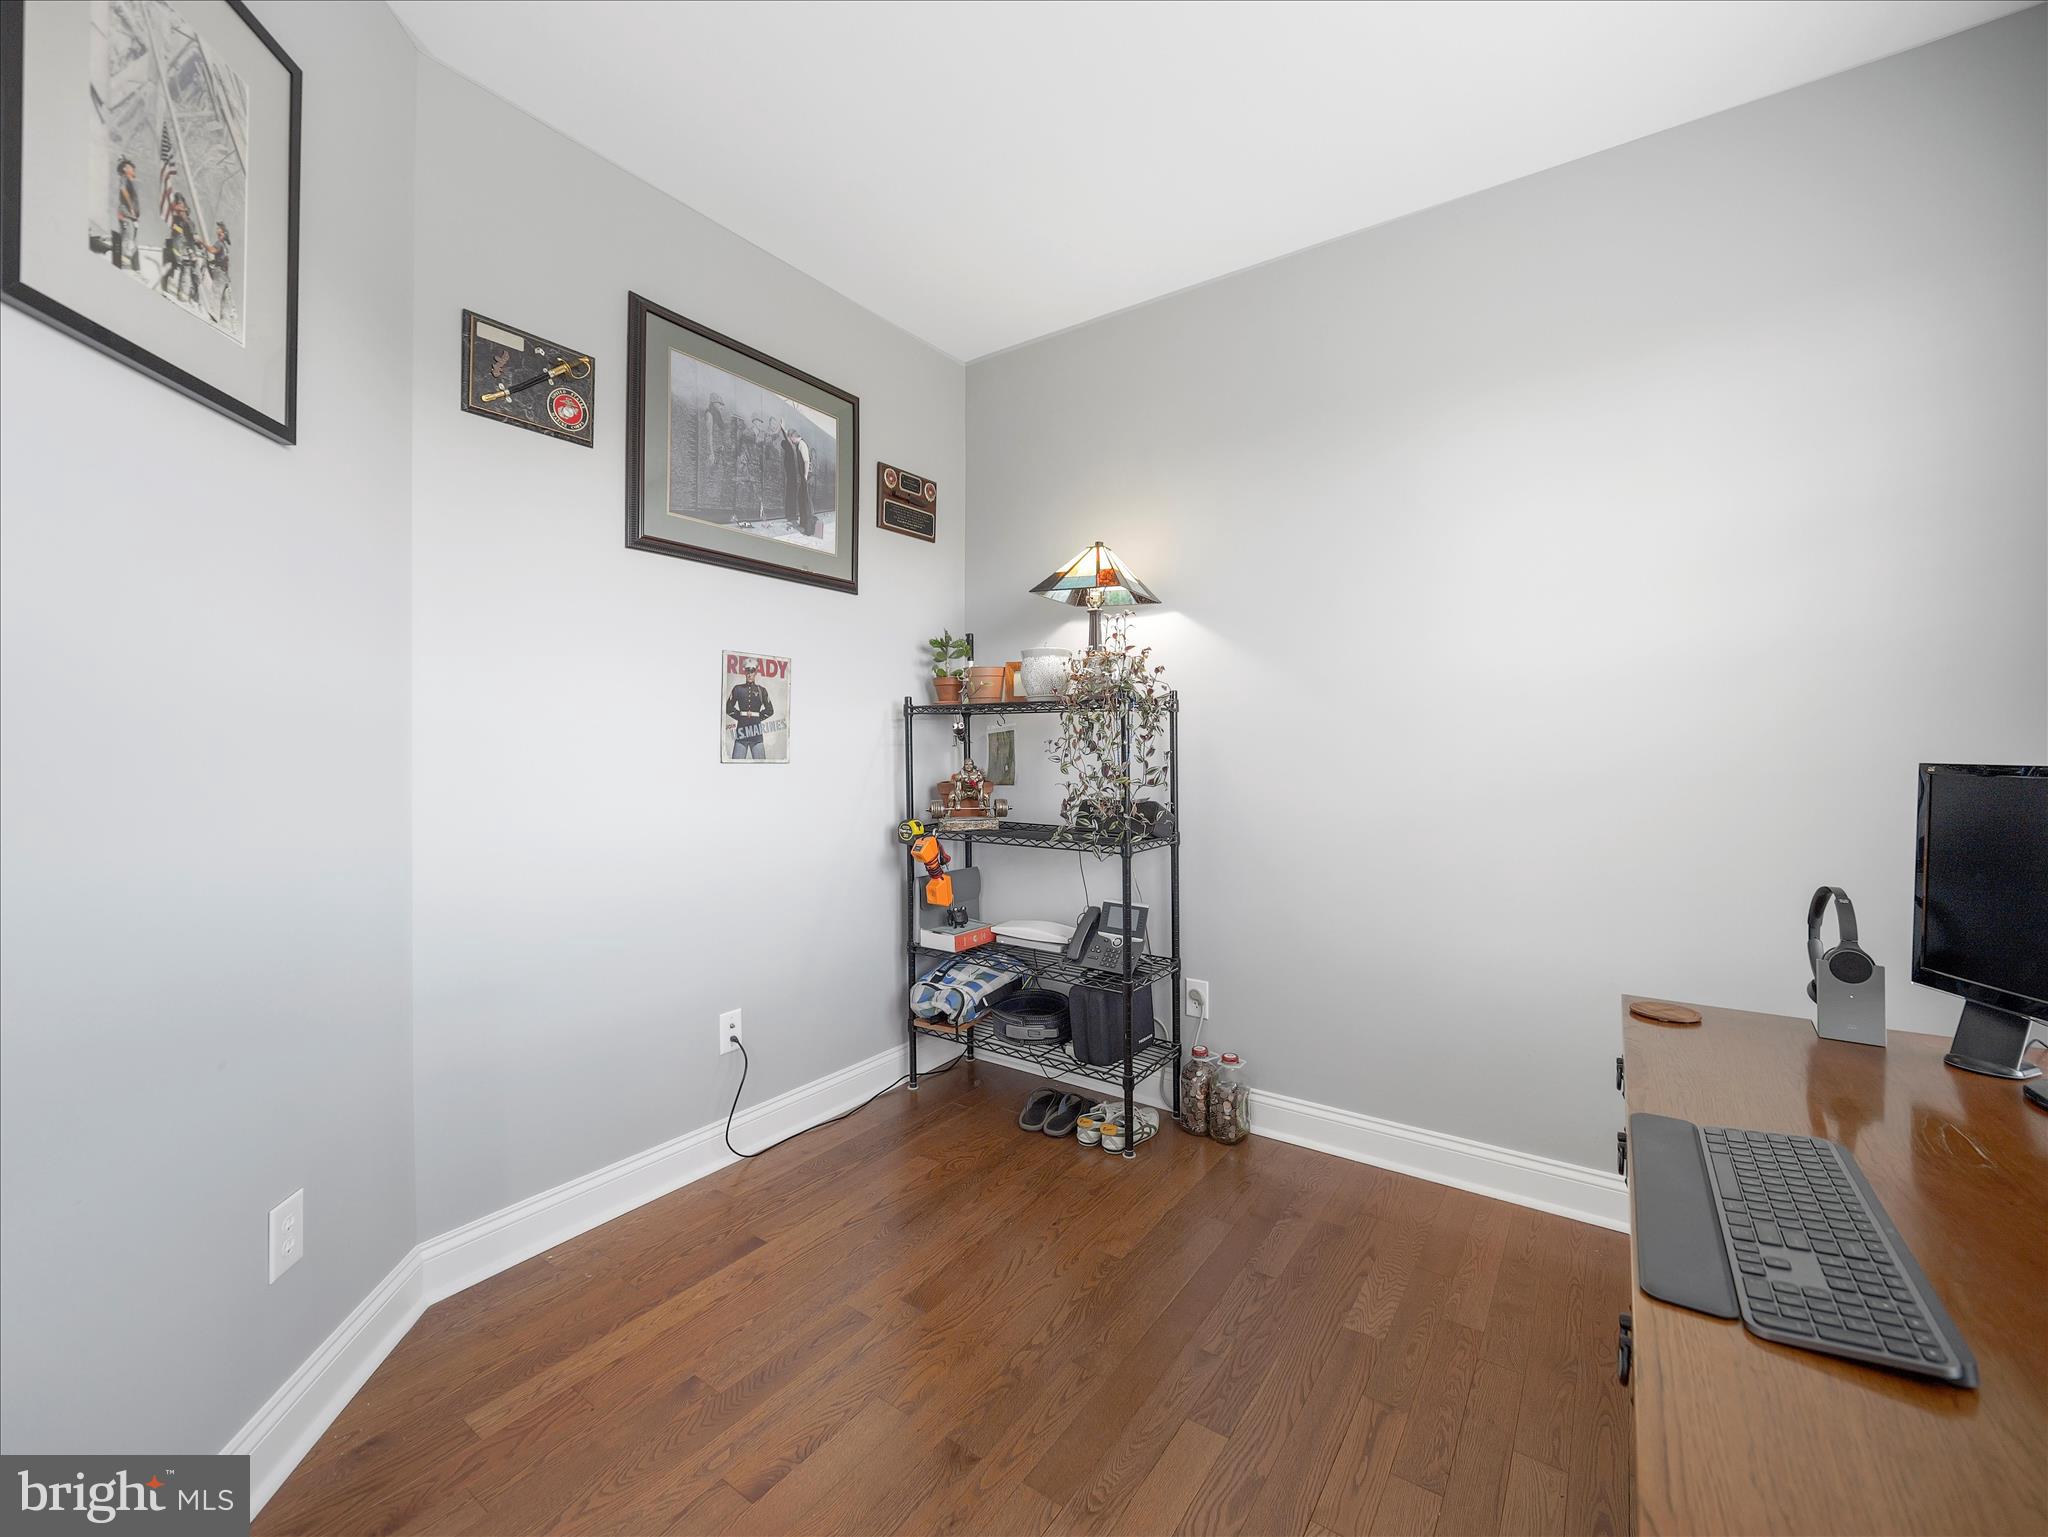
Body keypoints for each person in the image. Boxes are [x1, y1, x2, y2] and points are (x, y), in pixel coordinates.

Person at [725, 659, 774, 760]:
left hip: (756, 733)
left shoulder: (762, 690)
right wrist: (740, 716)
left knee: (761, 764)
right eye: (747, 671)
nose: (749, 674)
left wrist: (758, 717)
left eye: (752, 671)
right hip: (741, 732)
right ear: (745, 672)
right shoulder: (737, 689)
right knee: (736, 764)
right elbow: (728, 707)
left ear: (755, 673)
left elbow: (770, 710)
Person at [781, 423, 814, 537]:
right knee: (802, 500)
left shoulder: (802, 444)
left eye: (791, 439)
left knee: (805, 502)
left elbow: (806, 461)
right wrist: (783, 429)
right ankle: (804, 525)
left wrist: (805, 476)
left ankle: (808, 529)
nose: (792, 442)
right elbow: (789, 438)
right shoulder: (798, 443)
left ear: (794, 437)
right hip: (803, 477)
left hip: (804, 477)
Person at [113, 159, 140, 270]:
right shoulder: (124, 178)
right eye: (130, 167)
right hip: (126, 214)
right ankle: (124, 266)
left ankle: (132, 267)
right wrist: (131, 207)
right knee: (127, 240)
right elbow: (123, 190)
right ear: (125, 169)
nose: (133, 169)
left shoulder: (130, 181)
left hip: (131, 216)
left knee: (131, 242)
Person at [205, 221, 231, 318]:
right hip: (225, 274)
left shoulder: (219, 243)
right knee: (224, 297)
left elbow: (212, 250)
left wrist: (203, 244)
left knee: (216, 292)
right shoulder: (225, 247)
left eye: (219, 229)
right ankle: (224, 318)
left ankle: (214, 314)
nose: (217, 230)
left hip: (220, 272)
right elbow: (222, 259)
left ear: (223, 233)